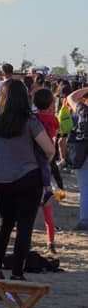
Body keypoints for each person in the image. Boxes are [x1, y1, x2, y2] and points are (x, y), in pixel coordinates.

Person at [0, 80, 55, 280]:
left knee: (4, 225)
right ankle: (17, 272)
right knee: (24, 227)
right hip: (28, 176)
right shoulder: (29, 121)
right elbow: (50, 149)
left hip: (3, 177)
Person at [66, 86, 88, 231]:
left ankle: (85, 219)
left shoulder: (83, 111)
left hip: (83, 153)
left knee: (85, 187)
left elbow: (70, 97)